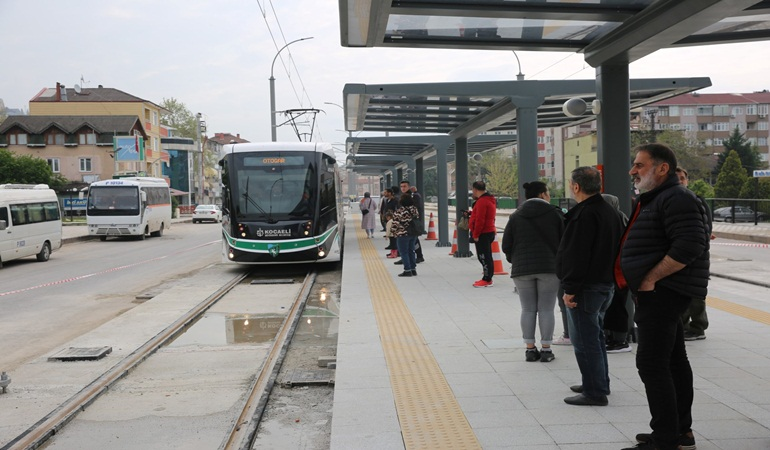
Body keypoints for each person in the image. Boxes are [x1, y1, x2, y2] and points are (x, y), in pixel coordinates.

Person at [618, 144, 709, 450]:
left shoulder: (676, 197)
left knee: (651, 363)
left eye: (639, 165)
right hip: (662, 292)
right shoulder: (659, 197)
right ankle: (680, 432)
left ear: (662, 168)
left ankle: (665, 438)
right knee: (673, 360)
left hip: (663, 292)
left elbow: (690, 244)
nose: (633, 170)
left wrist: (650, 278)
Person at [556, 166, 623, 407]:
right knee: (595, 336)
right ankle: (598, 382)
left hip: (586, 287)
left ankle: (595, 392)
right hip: (605, 284)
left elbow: (577, 255)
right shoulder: (609, 211)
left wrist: (570, 289)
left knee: (585, 341)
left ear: (576, 186)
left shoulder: (584, 214)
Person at [502, 181, 564, 363]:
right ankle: (546, 350)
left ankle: (530, 349)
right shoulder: (555, 214)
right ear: (543, 194)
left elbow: (506, 245)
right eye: (548, 192)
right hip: (549, 268)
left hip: (522, 270)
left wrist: (516, 260)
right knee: (546, 309)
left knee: (527, 309)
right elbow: (565, 242)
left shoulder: (515, 216)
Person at [676, 166, 714, 341]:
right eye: (676, 178)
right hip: (679, 255)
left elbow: (706, 229)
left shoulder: (697, 201)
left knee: (696, 294)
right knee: (681, 292)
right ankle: (683, 326)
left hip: (697, 257)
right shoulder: (670, 200)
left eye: (682, 178)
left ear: (687, 180)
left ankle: (698, 327)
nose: (680, 181)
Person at [601, 193, 633, 353]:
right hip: (618, 269)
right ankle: (612, 337)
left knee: (615, 306)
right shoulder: (623, 219)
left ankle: (619, 340)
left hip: (617, 270)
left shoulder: (614, 220)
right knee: (614, 305)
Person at [468, 181, 497, 288]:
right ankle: (487, 277)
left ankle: (487, 279)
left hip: (483, 233)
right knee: (486, 256)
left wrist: (476, 235)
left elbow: (480, 220)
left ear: (475, 189)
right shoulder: (489, 199)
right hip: (488, 231)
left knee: (483, 257)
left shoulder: (482, 202)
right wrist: (471, 214)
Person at [394, 180, 425, 265]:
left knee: (414, 240)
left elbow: (418, 209)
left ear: (409, 187)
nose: (403, 188)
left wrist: (417, 221)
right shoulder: (402, 196)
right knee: (411, 240)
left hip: (411, 222)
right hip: (404, 222)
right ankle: (407, 258)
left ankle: (418, 256)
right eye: (401, 186)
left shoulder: (414, 196)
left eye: (405, 186)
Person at [391, 192, 420, 277]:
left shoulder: (400, 211)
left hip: (402, 234)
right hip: (413, 233)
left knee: (404, 252)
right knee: (411, 251)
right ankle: (413, 269)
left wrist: (393, 233)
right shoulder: (414, 209)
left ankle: (407, 270)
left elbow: (395, 223)